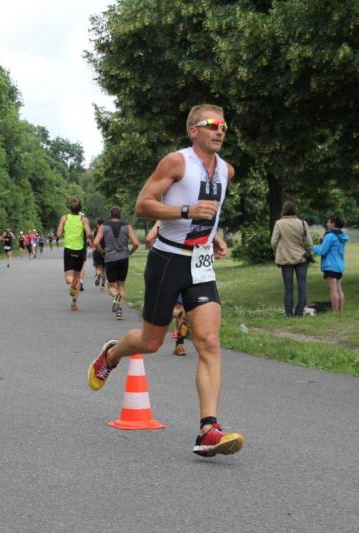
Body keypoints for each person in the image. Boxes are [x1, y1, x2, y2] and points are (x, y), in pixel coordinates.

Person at [87, 104, 243, 456]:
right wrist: (186, 211)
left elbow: (211, 210)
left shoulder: (226, 171)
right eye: (212, 124)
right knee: (151, 342)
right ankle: (112, 353)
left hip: (200, 263)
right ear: (194, 131)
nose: (220, 130)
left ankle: (208, 430)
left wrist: (214, 235)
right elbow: (143, 205)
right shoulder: (176, 162)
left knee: (209, 341)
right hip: (168, 260)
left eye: (224, 126)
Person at [146, 221, 190, 355]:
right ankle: (180, 345)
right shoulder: (196, 218)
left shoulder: (164, 219)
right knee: (181, 307)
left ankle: (179, 315)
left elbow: (149, 238)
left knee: (167, 308)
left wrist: (155, 251)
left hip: (168, 265)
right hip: (191, 266)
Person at [94, 207, 139, 320]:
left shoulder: (104, 226)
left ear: (110, 215)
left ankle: (116, 296)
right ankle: (119, 312)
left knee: (111, 286)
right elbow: (136, 243)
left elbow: (95, 243)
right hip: (123, 258)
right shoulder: (127, 226)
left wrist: (102, 252)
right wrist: (130, 252)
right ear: (120, 215)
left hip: (110, 258)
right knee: (121, 285)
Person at [270, 201, 313, 317]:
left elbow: (273, 242)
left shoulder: (279, 223)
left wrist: (277, 251)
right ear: (295, 210)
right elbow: (309, 242)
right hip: (302, 258)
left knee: (288, 288)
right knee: (302, 285)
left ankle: (289, 313)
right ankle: (300, 311)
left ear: (283, 210)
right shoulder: (302, 223)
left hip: (286, 258)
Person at [56, 197, 92, 311]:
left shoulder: (65, 218)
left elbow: (58, 233)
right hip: (80, 250)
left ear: (70, 207)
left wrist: (65, 233)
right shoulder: (83, 219)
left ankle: (74, 285)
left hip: (69, 249)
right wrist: (90, 239)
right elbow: (89, 233)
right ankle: (74, 303)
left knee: (68, 279)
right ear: (80, 208)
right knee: (77, 277)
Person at [312, 214, 348, 312]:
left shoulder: (330, 235)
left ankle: (335, 312)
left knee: (333, 290)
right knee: (339, 289)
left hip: (330, 266)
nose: (327, 224)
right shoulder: (341, 235)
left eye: (328, 222)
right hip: (339, 266)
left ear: (333, 223)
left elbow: (322, 251)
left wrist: (311, 247)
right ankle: (340, 311)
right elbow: (333, 246)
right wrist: (323, 241)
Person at [92, 218, 106, 290]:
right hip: (106, 252)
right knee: (104, 270)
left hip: (97, 251)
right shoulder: (107, 231)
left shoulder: (96, 231)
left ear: (97, 224)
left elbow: (94, 241)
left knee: (98, 267)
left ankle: (98, 275)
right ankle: (102, 286)